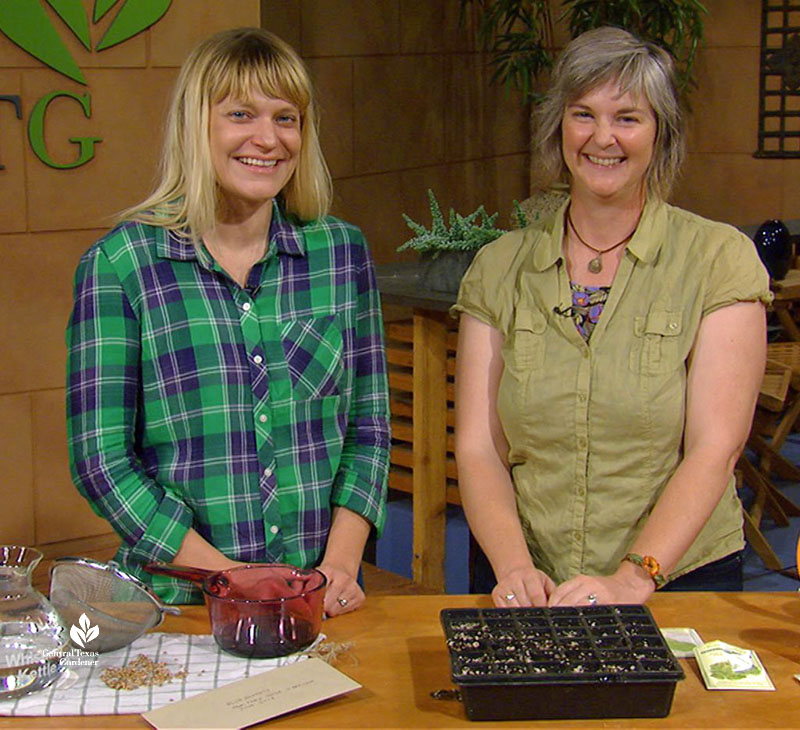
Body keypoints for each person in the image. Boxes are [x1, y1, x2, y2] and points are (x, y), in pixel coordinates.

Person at [66, 28, 390, 615]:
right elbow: (102, 463)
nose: (267, 140)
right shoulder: (122, 266)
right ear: (198, 125)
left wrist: (339, 565)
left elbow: (369, 429)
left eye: (286, 118)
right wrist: (234, 580)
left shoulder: (341, 253)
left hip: (318, 600)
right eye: (241, 114)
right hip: (179, 607)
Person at [452, 26, 770, 608]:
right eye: (584, 115)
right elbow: (477, 447)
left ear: (660, 134)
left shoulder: (718, 259)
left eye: (628, 117)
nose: (603, 138)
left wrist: (632, 577)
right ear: (559, 128)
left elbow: (715, 447)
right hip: (525, 581)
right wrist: (514, 567)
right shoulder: (498, 267)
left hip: (676, 583)